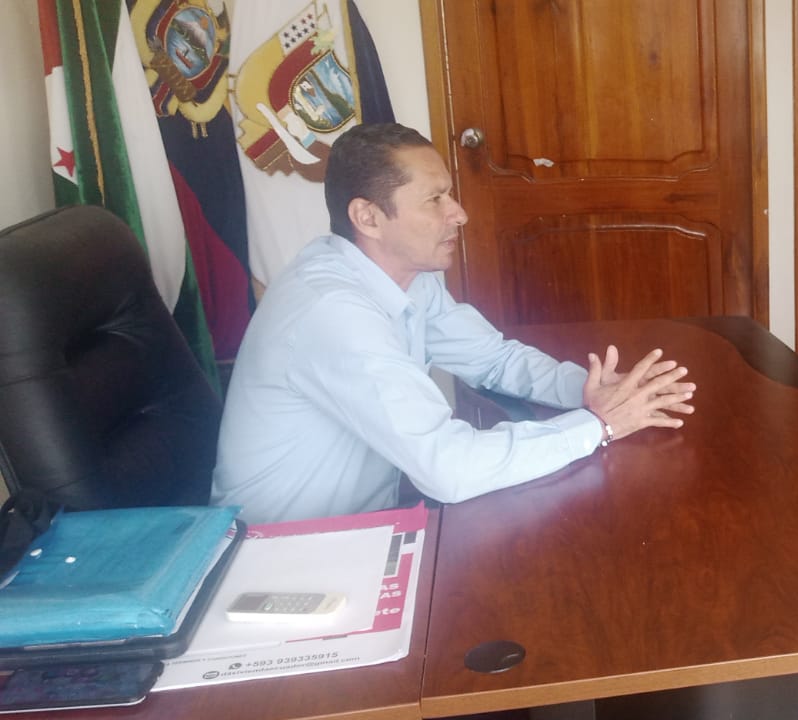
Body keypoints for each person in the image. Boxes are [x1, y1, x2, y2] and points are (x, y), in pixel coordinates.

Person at [212, 123, 695, 525]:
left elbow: (493, 359)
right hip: (281, 559)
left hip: (359, 532)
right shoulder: (332, 311)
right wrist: (599, 426)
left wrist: (591, 391)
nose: (459, 214)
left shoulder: (405, 276)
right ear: (368, 217)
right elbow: (448, 468)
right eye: (435, 199)